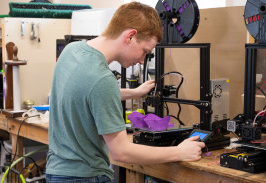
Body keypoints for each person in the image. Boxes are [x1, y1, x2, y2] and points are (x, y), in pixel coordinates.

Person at [46, 2, 205, 183]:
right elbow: (121, 152)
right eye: (145, 51)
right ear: (130, 36)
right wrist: (179, 152)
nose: (142, 60)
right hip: (85, 177)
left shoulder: (71, 50)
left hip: (56, 172)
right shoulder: (101, 79)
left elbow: (87, 93)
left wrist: (134, 92)